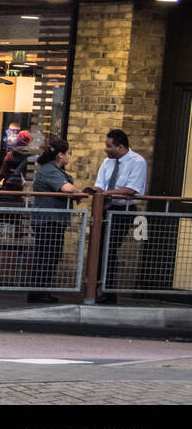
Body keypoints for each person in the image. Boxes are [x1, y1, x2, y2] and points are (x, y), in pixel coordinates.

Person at [84, 129, 147, 304]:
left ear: (120, 147)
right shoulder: (107, 162)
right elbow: (100, 185)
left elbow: (131, 189)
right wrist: (94, 191)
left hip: (122, 211)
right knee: (98, 249)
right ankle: (96, 288)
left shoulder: (137, 162)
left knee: (110, 249)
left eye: (109, 146)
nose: (105, 149)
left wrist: (106, 193)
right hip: (104, 208)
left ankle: (108, 290)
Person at [27, 135, 80, 303]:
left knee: (49, 254)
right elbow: (66, 188)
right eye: (68, 153)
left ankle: (40, 291)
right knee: (48, 254)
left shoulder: (53, 170)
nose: (70, 156)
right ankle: (39, 292)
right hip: (49, 219)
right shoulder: (50, 170)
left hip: (53, 218)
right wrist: (79, 192)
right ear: (60, 155)